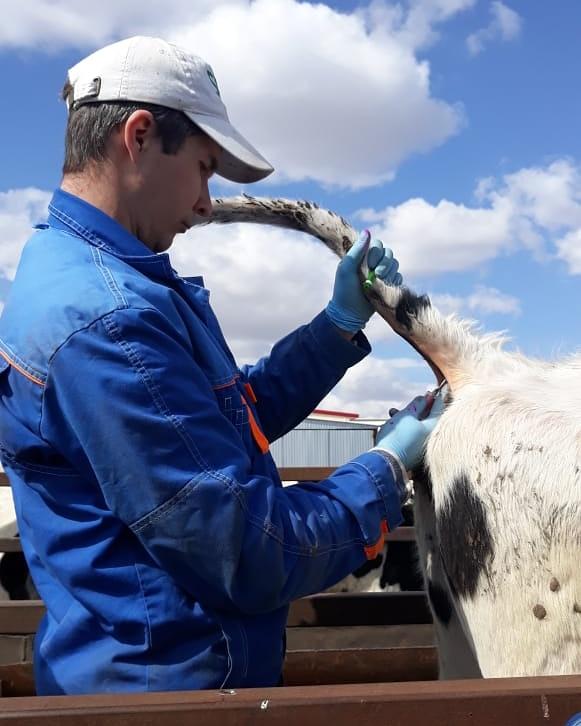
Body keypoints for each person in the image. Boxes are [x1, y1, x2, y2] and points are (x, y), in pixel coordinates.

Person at [0, 36, 442, 695]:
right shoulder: (108, 320)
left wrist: (335, 328)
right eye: (204, 168)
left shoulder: (91, 279)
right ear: (139, 136)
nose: (207, 202)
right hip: (167, 694)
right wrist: (384, 469)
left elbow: (220, 425)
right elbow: (248, 550)